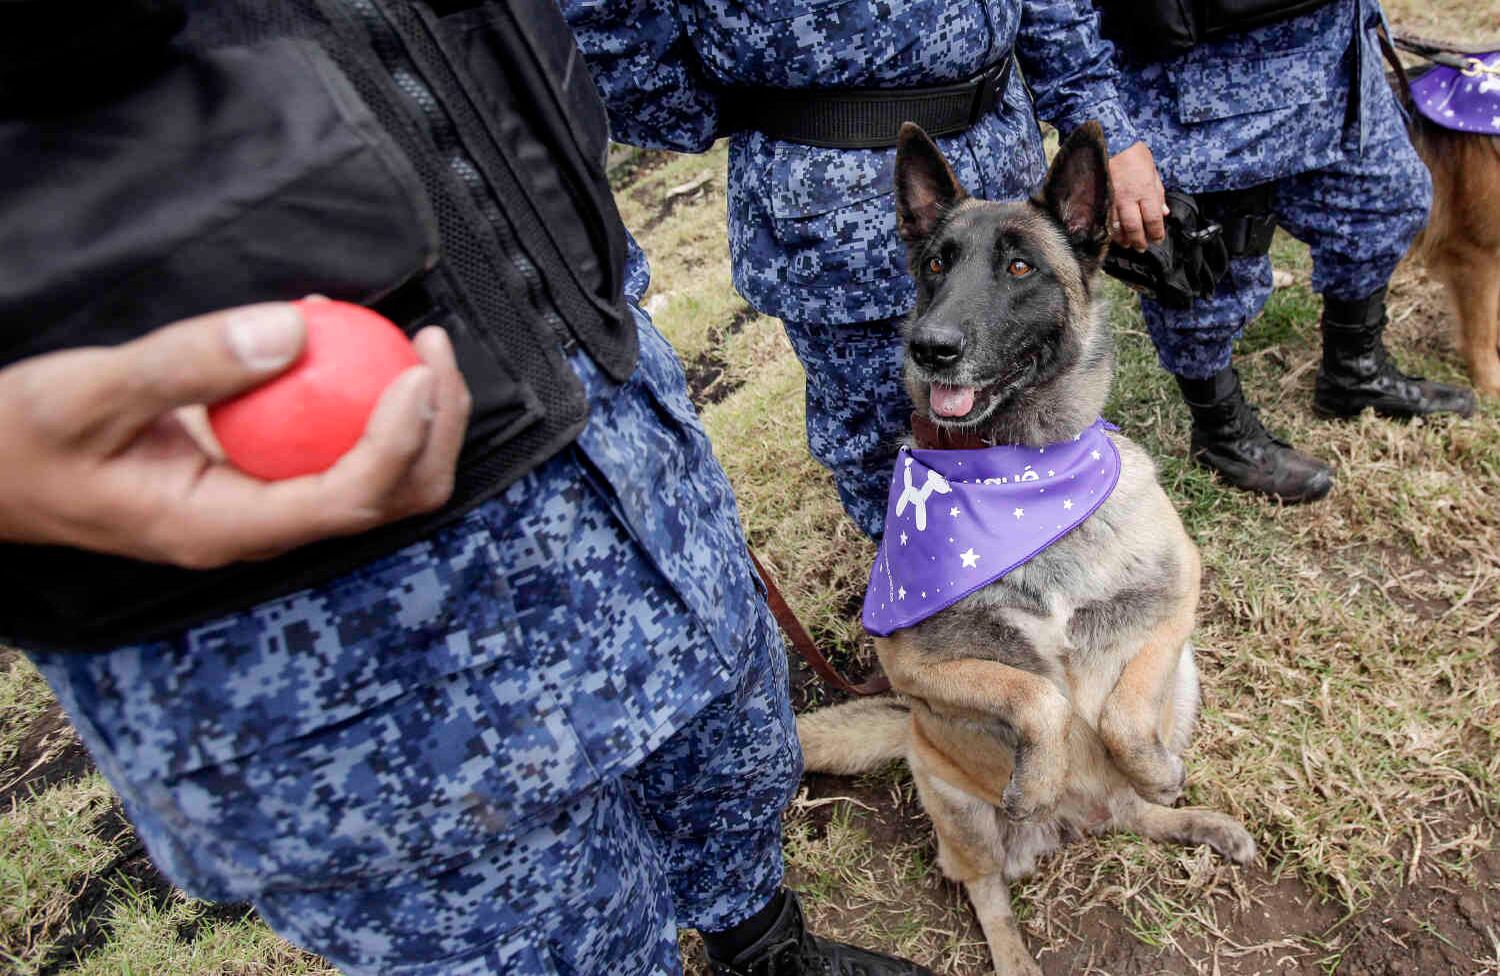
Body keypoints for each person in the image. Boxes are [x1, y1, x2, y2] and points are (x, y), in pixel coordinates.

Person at [0, 2, 929, 974]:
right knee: (544, 939)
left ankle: (767, 948)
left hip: (604, 402)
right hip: (297, 610)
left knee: (731, 759)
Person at [563, 0, 1168, 539]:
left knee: (1031, 415)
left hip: (1001, 149)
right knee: (888, 456)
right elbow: (605, 31)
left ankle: (1044, 580)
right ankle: (934, 621)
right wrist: (767, 109)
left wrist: (1097, 113)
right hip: (826, 208)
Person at [1094, 0, 1476, 503]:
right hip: (1206, 77)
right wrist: (1111, 131)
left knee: (1384, 203)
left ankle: (1354, 371)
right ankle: (1222, 432)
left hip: (1334, 52)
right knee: (1207, 274)